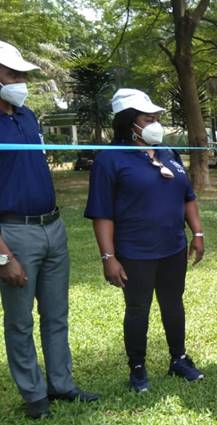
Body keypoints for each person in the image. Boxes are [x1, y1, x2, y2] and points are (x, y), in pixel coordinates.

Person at [0, 40, 98, 420]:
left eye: (22, 75)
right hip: (14, 233)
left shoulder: (27, 117)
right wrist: (3, 256)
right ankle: (34, 395)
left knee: (56, 315)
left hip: (53, 227)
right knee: (20, 321)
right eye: (12, 74)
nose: (20, 82)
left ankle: (61, 384)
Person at [85, 89, 205, 392]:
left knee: (173, 303)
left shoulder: (168, 153)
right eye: (148, 118)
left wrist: (197, 233)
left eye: (156, 118)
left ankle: (179, 359)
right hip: (135, 251)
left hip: (173, 247)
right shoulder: (109, 160)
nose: (155, 124)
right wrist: (108, 257)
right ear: (129, 122)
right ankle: (137, 368)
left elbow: (188, 197)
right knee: (138, 309)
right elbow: (102, 213)